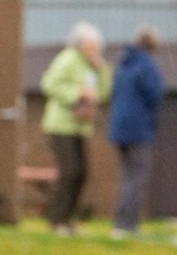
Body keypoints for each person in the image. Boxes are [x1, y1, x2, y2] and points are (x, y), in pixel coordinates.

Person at [40, 21, 112, 236]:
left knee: (82, 173)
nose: (95, 49)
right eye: (91, 45)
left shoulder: (93, 65)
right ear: (80, 44)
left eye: (97, 46)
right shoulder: (67, 59)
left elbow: (104, 93)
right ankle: (56, 219)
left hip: (80, 127)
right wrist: (77, 93)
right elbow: (49, 84)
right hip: (60, 125)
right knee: (69, 171)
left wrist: (103, 70)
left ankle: (67, 219)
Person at [107, 25, 165, 238]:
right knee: (137, 177)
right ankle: (127, 226)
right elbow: (155, 95)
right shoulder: (148, 65)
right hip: (138, 129)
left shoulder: (122, 63)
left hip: (118, 127)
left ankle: (120, 222)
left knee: (126, 177)